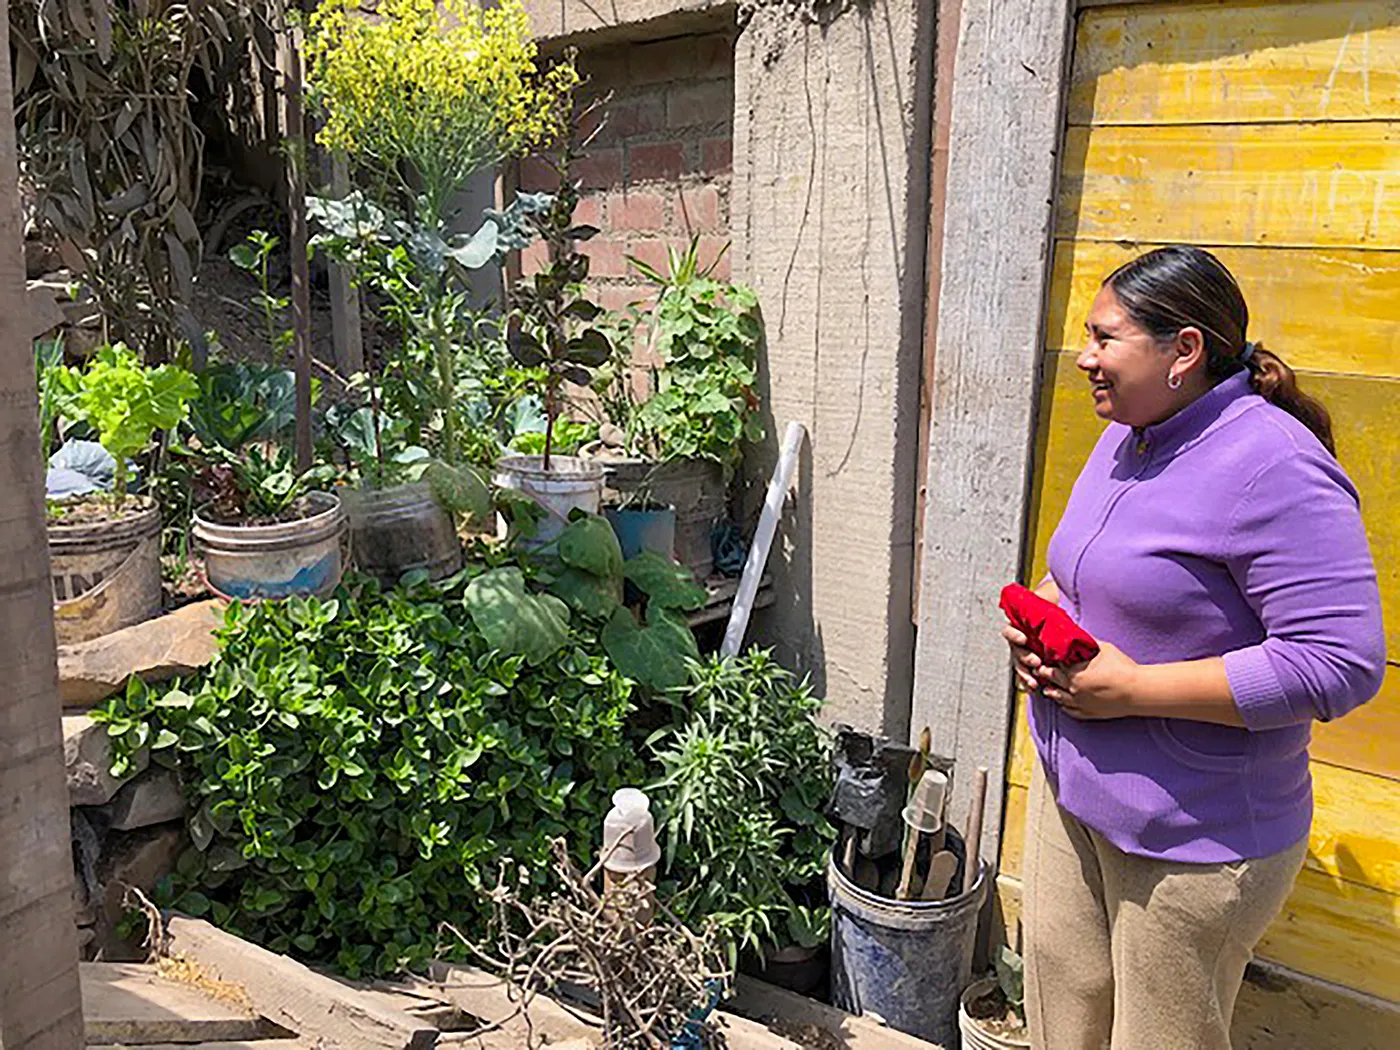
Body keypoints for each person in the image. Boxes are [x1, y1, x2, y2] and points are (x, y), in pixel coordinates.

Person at [1002, 246, 1385, 1050]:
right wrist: (1040, 622)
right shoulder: (1129, 435)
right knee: (1060, 1019)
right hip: (1074, 795)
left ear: (1185, 350)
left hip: (1193, 840)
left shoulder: (1274, 465)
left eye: (1106, 338)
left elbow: (1339, 662)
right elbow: (1084, 567)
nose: (1084, 358)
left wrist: (1134, 688)